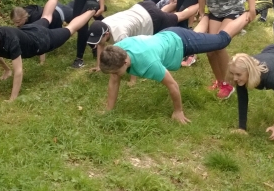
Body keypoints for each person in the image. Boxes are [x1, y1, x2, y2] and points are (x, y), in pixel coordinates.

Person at [99, 12, 253, 124]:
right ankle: (206, 15)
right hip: (168, 37)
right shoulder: (117, 49)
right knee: (197, 36)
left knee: (221, 41)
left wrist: (178, 111)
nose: (114, 75)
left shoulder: (149, 62)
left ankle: (246, 15)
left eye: (115, 71)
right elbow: (114, 80)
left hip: (182, 42)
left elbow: (173, 85)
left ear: (125, 63)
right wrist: (109, 110)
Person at [0, 0, 99, 101]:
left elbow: (19, 71)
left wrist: (12, 99)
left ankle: (92, 9)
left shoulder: (10, 41)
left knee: (69, 29)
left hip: (42, 40)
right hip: (30, 30)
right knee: (46, 16)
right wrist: (6, 70)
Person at [86, 0, 200, 76]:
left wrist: (132, 79)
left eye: (98, 39)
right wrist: (99, 66)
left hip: (151, 19)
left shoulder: (120, 35)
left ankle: (201, 3)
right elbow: (101, 44)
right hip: (142, 7)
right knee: (163, 13)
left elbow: (130, 56)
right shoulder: (104, 24)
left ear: (106, 34)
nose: (97, 43)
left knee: (180, 16)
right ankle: (175, 1)